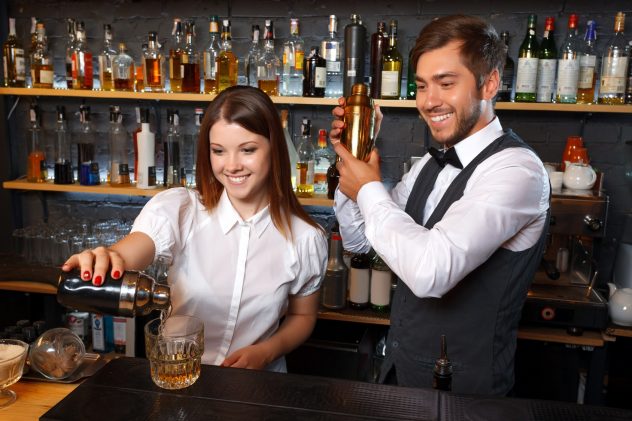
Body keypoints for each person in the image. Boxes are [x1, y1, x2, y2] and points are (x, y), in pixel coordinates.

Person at [330, 15, 550, 395]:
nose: (429, 102)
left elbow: (432, 271)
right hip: (401, 374)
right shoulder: (429, 166)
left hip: (466, 393)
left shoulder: (518, 170)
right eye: (421, 86)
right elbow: (361, 241)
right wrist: (357, 150)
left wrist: (368, 188)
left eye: (446, 84)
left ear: (490, 83)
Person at [62, 86, 328, 372]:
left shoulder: (305, 238)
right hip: (178, 376)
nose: (232, 165)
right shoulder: (182, 209)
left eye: (248, 150)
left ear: (274, 148)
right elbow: (135, 248)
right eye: (219, 151)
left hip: (255, 386)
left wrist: (265, 352)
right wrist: (110, 257)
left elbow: (303, 316)